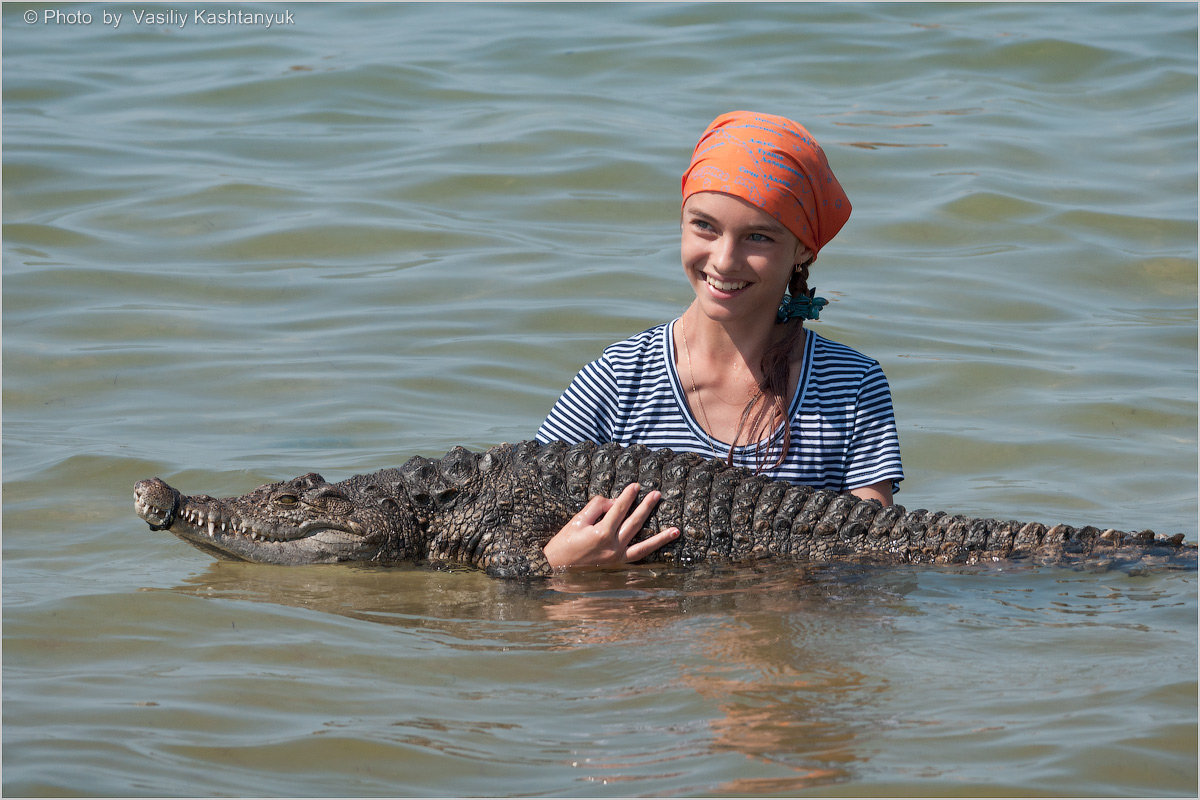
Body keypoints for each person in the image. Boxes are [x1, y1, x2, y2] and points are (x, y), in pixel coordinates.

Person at [536, 110, 904, 569]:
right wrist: (558, 567)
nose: (725, 260)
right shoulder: (617, 381)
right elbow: (522, 518)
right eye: (704, 226)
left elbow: (878, 559)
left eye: (758, 237)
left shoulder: (851, 387)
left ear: (804, 249)